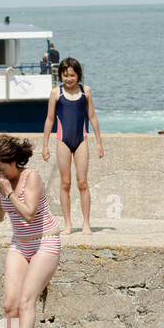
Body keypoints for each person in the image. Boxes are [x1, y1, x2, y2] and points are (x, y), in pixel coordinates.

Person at [0, 134, 61, 328]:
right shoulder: (0, 183)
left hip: (44, 240)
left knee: (27, 300)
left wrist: (8, 192)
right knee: (10, 304)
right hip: (20, 243)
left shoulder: (32, 177)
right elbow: (1, 211)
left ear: (15, 162)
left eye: (2, 168)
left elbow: (28, 213)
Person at [42, 58, 103, 235]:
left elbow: (92, 117)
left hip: (81, 140)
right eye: (65, 75)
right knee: (66, 183)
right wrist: (45, 145)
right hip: (63, 141)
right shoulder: (56, 93)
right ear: (60, 75)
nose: (68, 79)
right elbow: (50, 119)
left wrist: (99, 142)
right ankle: (68, 223)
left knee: (82, 182)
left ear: (78, 75)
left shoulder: (86, 91)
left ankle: (86, 223)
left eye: (72, 75)